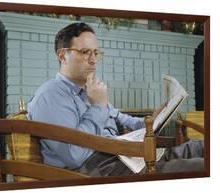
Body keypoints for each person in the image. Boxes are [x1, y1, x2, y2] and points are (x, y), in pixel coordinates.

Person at [27, 22, 204, 176]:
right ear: (62, 55)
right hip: (95, 168)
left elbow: (122, 119)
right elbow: (74, 156)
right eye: (85, 52)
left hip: (123, 156)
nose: (93, 60)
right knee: (200, 166)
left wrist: (152, 120)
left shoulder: (90, 89)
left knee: (199, 147)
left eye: (96, 53)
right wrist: (98, 106)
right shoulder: (50, 95)